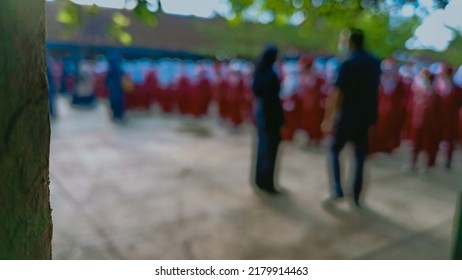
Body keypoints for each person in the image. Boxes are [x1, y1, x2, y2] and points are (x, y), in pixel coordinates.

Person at [321, 28, 381, 207]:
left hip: (347, 116)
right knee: (360, 156)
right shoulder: (374, 62)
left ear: (351, 42)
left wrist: (328, 118)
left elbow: (337, 93)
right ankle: (356, 195)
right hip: (365, 118)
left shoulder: (347, 63)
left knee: (334, 149)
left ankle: (337, 189)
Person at [252, 45, 285, 194]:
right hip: (270, 117)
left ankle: (260, 180)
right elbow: (274, 102)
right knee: (270, 151)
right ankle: (268, 183)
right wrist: (281, 120)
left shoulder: (260, 73)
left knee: (261, 149)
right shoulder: (271, 75)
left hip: (260, 115)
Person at [106, 50, 125, 121]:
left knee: (114, 101)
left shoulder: (111, 66)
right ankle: (119, 114)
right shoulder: (120, 65)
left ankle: (116, 114)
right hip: (118, 88)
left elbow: (108, 77)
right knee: (119, 101)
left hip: (114, 87)